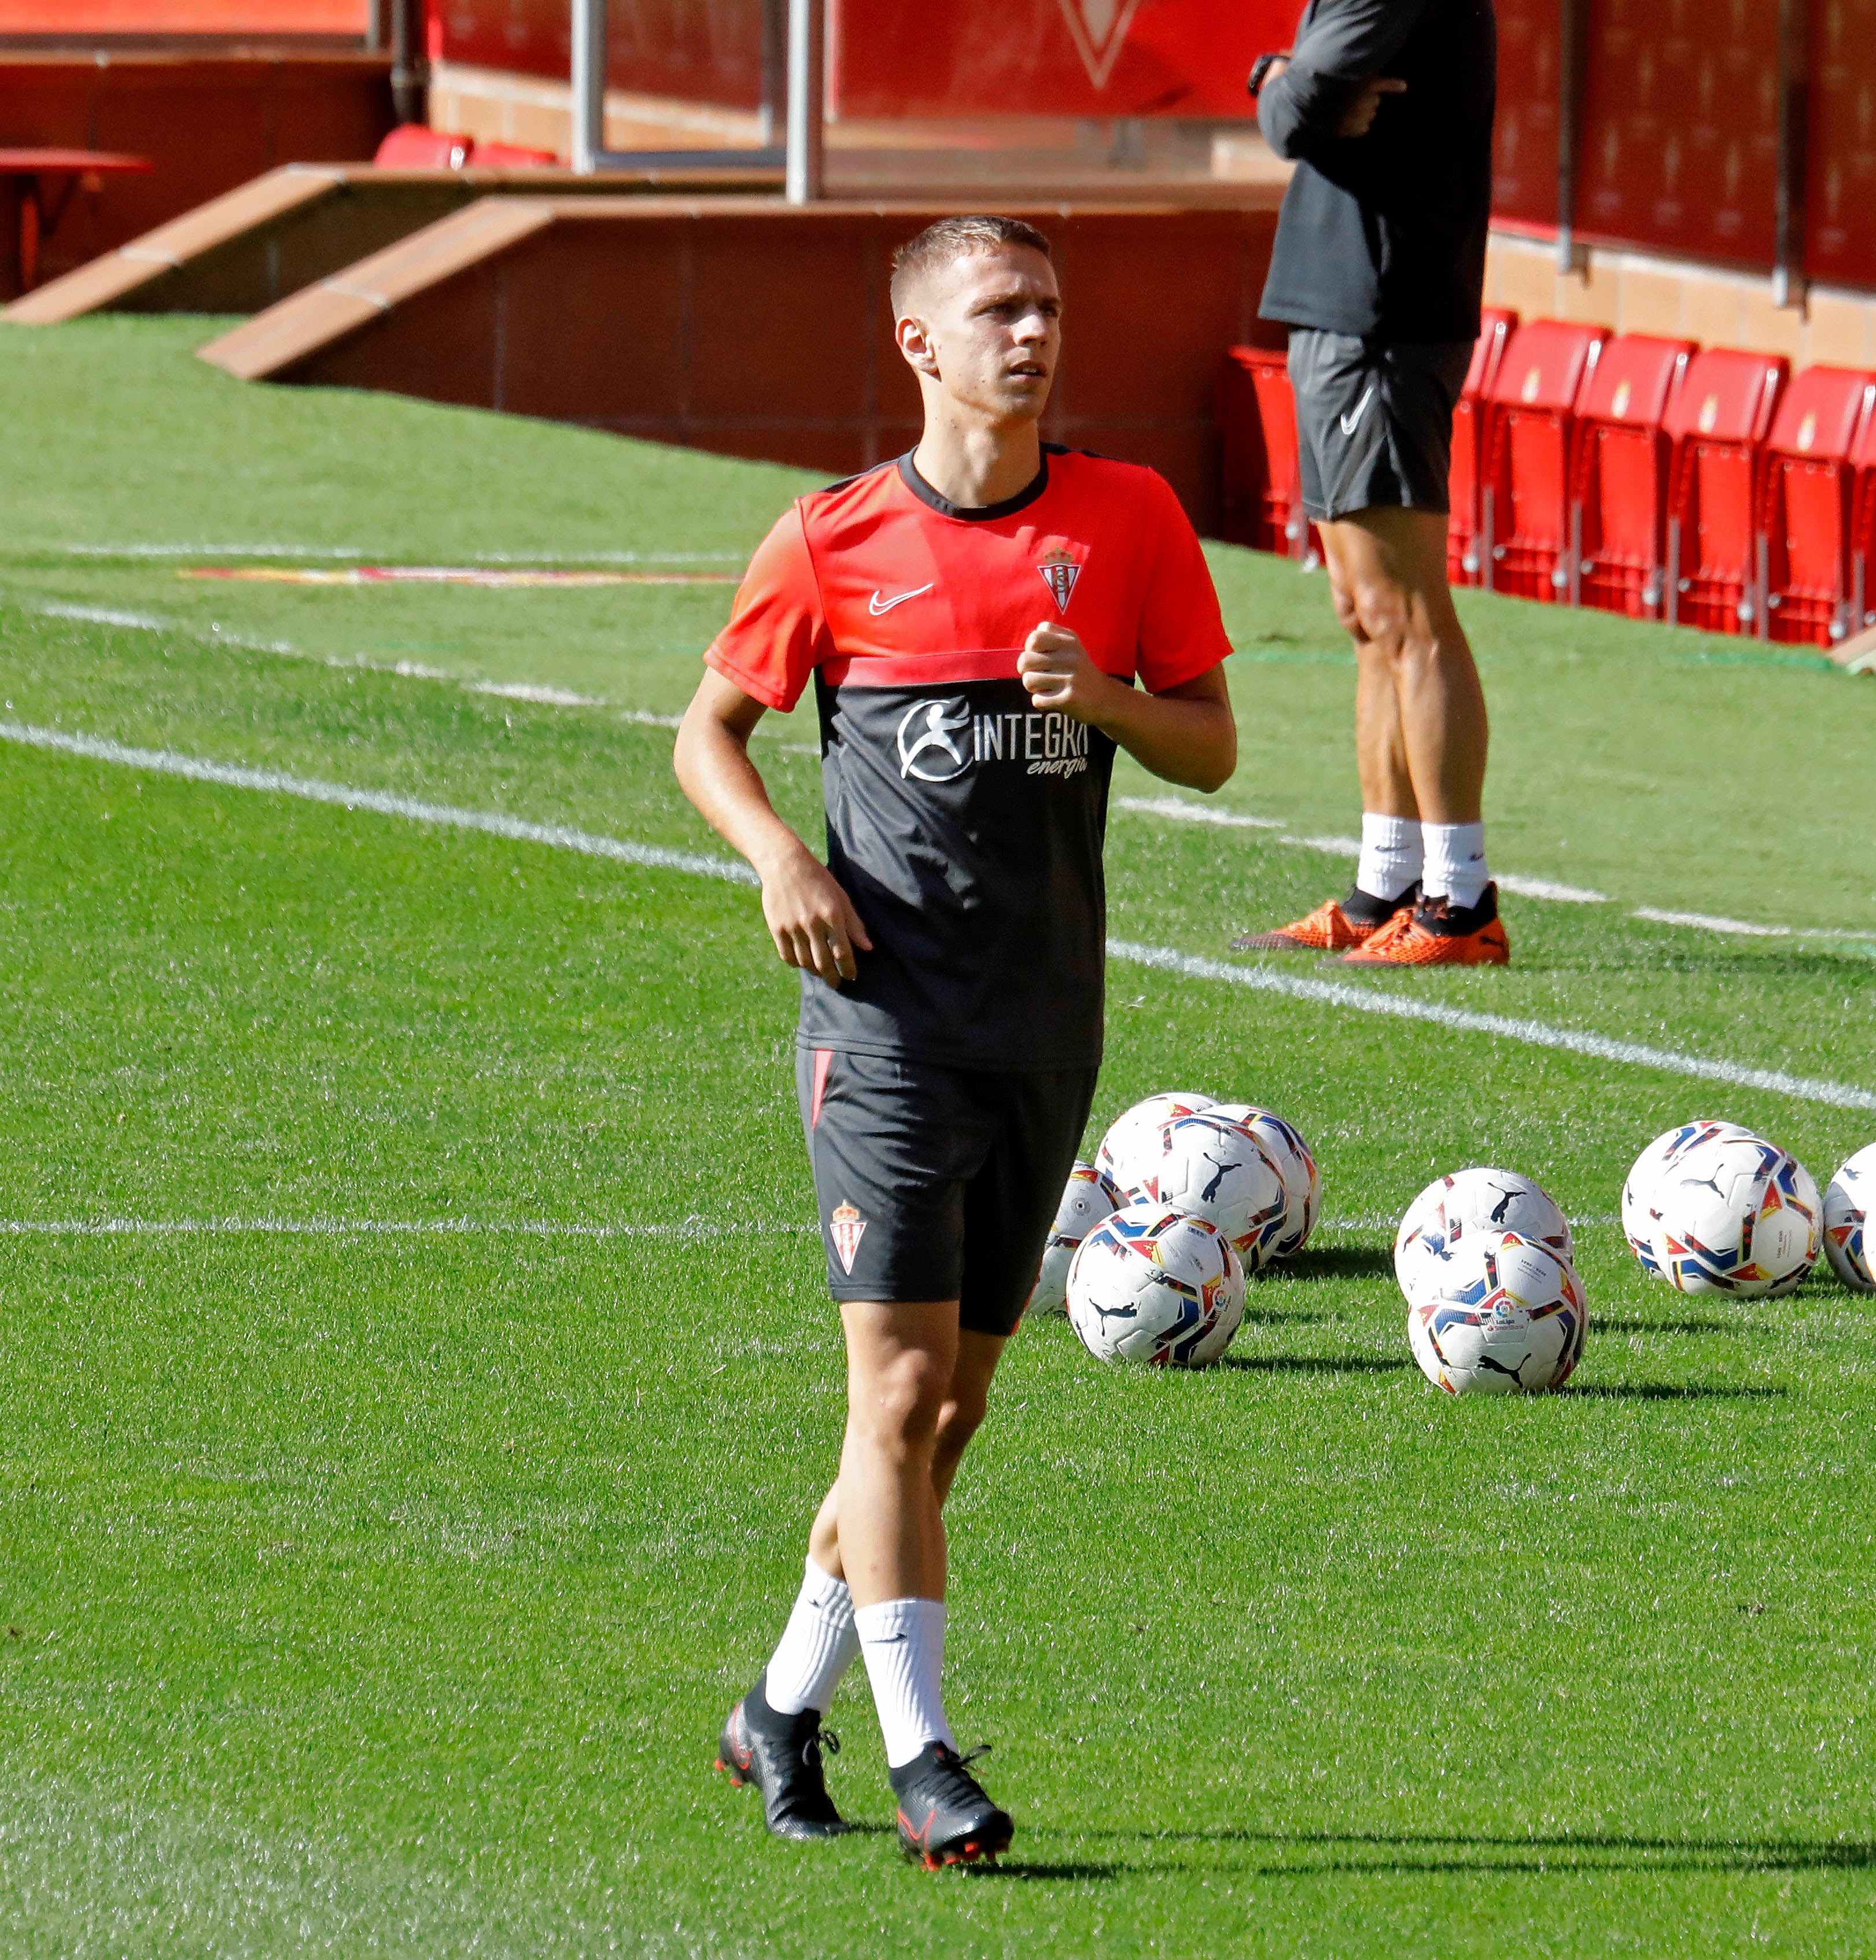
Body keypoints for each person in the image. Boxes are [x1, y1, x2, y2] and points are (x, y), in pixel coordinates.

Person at [673, 214, 1238, 1869]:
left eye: (1048, 307)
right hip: (887, 1028)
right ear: (919, 342)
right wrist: (782, 856)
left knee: (945, 1419)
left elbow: (1208, 745)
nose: (1032, 334)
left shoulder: (1127, 519)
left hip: (1047, 1021)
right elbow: (706, 731)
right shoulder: (833, 538)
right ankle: (925, 1756)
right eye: (998, 310)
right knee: (898, 1389)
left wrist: (1109, 701)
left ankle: (778, 1702)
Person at [1233, 0, 1506, 968]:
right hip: (1340, 305)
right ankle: (1385, 883)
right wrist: (1281, 76)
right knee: (1361, 609)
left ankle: (1460, 902)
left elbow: (1303, 113)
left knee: (1405, 608)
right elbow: (1301, 93)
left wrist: (1283, 89)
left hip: (1385, 312)